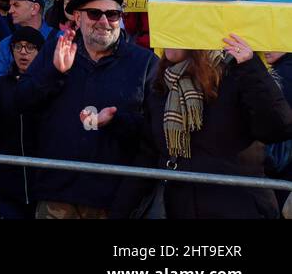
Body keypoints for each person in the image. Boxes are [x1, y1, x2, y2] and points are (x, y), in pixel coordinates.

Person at [14, 0, 157, 219]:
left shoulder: (144, 63)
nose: (104, 21)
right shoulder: (56, 51)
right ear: (78, 18)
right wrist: (55, 73)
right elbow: (21, 102)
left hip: (112, 200)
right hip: (57, 195)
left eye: (112, 14)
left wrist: (114, 121)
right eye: (95, 14)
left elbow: (153, 131)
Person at [111, 35, 292, 219]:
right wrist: (120, 212)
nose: (168, 37)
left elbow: (278, 128)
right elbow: (149, 154)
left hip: (240, 210)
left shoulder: (235, 75)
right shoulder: (162, 85)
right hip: (181, 210)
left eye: (177, 30)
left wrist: (250, 66)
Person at [0, 25, 44, 218]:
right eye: (18, 46)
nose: (23, 52)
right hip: (8, 178)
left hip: (41, 181)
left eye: (30, 47)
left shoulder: (49, 85)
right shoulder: (0, 86)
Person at [0, 0, 50, 77]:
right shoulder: (6, 44)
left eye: (16, 5)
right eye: (10, 5)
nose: (10, 10)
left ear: (34, 8)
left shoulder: (59, 40)